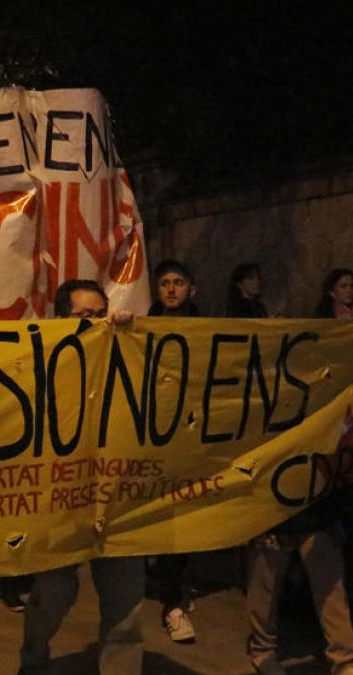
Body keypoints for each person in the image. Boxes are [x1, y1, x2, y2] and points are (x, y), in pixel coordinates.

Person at [243, 275, 353, 675]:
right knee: (264, 590)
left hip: (316, 509)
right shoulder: (265, 406)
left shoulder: (326, 400)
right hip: (275, 511)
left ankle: (343, 659)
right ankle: (263, 652)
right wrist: (258, 516)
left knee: (331, 588)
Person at [18, 279, 145, 675]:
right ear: (61, 319)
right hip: (63, 497)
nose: (93, 323)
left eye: (98, 314)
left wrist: (129, 333)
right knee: (53, 594)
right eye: (82, 316)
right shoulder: (43, 362)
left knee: (125, 605)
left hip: (118, 496)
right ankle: (34, 655)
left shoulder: (124, 353)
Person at [145, 259, 200, 641]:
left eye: (178, 282)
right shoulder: (144, 327)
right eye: (164, 283)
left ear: (191, 289)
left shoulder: (208, 329)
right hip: (152, 435)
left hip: (191, 436)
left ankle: (174, 591)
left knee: (184, 519)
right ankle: (172, 599)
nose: (171, 289)